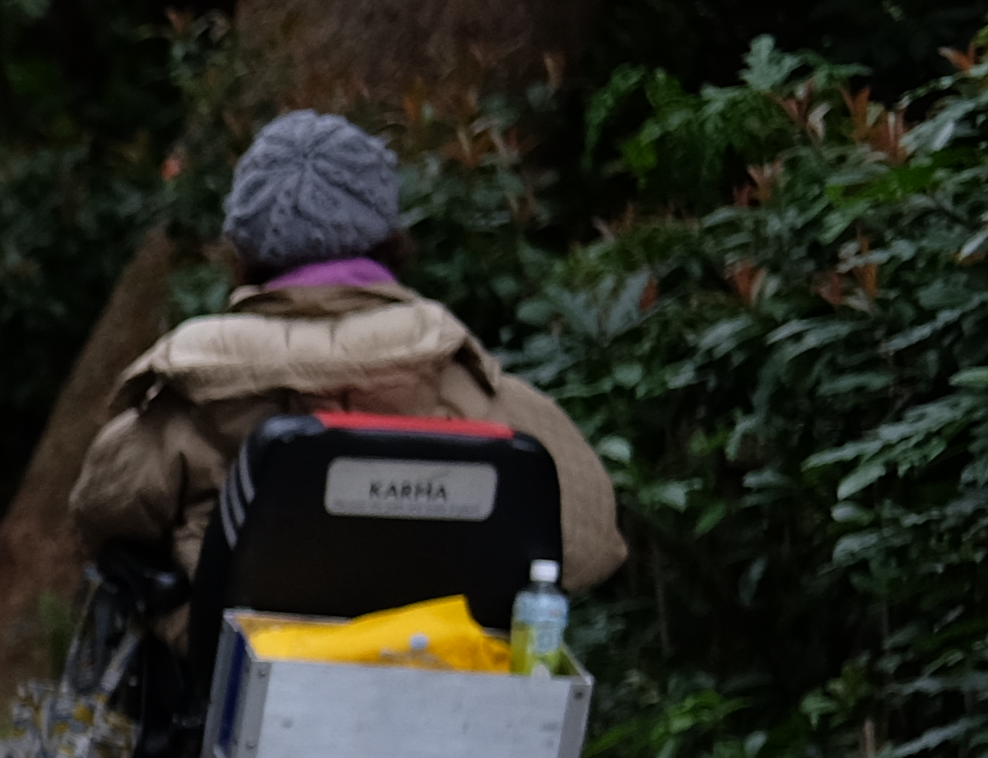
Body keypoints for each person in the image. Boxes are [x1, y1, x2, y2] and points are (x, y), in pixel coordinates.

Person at [69, 107, 625, 589]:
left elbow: (100, 515)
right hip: (433, 673)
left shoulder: (193, 389)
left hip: (232, 682)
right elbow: (591, 546)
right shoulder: (465, 382)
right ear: (389, 235)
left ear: (242, 248)